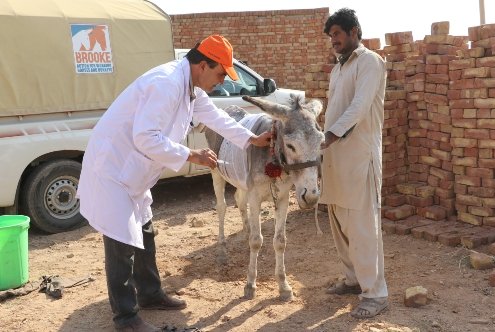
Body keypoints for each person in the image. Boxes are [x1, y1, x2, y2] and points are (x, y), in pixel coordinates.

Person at [77, 35, 271, 332]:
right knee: (121, 242)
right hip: (113, 169)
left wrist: (252, 139)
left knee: (144, 230)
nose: (222, 81)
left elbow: (218, 119)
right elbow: (145, 136)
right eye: (220, 74)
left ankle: (151, 294)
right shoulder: (167, 84)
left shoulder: (190, 90)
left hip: (133, 172)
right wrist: (191, 154)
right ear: (203, 64)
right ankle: (126, 319)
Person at [319, 8, 388, 319]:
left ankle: (376, 294)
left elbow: (359, 108)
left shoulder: (369, 62)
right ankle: (352, 280)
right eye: (331, 35)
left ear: (354, 31)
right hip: (335, 158)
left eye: (337, 34)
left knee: (362, 227)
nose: (333, 40)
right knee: (340, 223)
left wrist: (328, 136)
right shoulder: (338, 69)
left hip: (359, 157)